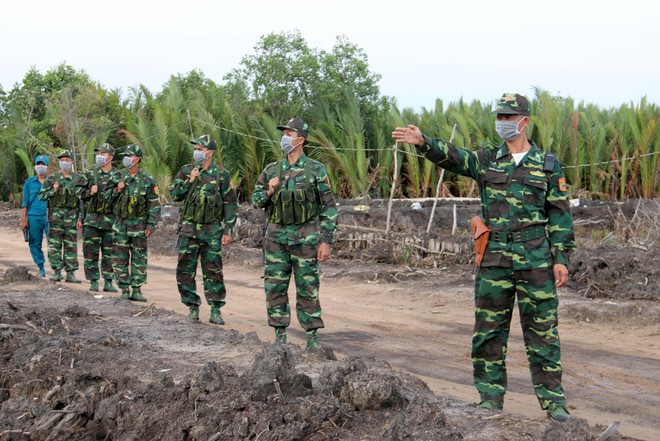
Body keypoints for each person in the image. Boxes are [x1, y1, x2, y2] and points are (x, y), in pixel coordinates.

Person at [392, 93, 576, 422]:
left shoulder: (548, 165)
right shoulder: (488, 159)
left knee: (543, 332)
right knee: (489, 331)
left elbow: (560, 214)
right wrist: (424, 143)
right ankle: (490, 399)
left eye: (509, 117)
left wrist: (561, 257)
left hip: (536, 257)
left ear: (524, 120)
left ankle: (554, 403)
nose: (503, 122)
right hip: (495, 259)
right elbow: (455, 158)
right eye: (500, 117)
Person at [251, 118, 338, 348]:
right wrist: (269, 191)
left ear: (300, 139)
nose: (284, 138)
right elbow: (255, 201)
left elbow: (328, 207)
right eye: (284, 133)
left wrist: (326, 241)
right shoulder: (272, 170)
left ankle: (311, 336)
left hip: (306, 237)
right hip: (276, 239)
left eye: (289, 134)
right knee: (275, 286)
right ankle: (280, 335)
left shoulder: (316, 170)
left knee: (308, 286)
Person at [171, 135, 237, 325]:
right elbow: (175, 195)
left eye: (200, 149)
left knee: (213, 270)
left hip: (212, 231)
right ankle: (192, 306)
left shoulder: (221, 174)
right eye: (196, 148)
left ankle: (216, 309)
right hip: (188, 229)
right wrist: (190, 181)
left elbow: (230, 203)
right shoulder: (186, 171)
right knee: (185, 269)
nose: (197, 152)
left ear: (210, 153)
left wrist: (228, 230)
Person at [112, 144, 161, 301]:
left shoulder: (147, 180)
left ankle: (137, 289)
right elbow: (106, 199)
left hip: (139, 225)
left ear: (137, 159)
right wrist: (117, 190)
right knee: (120, 258)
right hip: (121, 225)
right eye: (125, 155)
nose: (126, 159)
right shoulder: (117, 177)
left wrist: (151, 224)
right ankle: (124, 289)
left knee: (139, 258)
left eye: (130, 156)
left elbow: (153, 204)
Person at [75, 143, 121, 293]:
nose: (99, 156)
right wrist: (89, 192)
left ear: (110, 157)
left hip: (111, 220)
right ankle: (93, 280)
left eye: (103, 153)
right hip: (92, 220)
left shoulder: (118, 175)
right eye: (98, 153)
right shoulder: (90, 173)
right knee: (90, 252)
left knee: (110, 253)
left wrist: (119, 189)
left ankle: (108, 281)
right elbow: (77, 192)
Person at [38, 150, 83, 283]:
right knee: (54, 246)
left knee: (71, 246)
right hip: (56, 217)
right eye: (62, 160)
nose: (64, 162)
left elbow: (82, 200)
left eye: (66, 160)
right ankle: (57, 272)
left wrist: (80, 218)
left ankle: (70, 274)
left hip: (72, 217)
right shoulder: (52, 178)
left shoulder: (77, 178)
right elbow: (41, 196)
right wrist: (53, 191)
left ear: (71, 162)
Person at [21, 154, 50, 277]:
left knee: (53, 243)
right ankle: (41, 268)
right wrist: (23, 220)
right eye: (38, 164)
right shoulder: (29, 183)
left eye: (42, 164)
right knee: (34, 243)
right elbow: (25, 202)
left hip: (49, 217)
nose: (40, 166)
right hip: (33, 217)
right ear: (35, 166)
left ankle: (57, 269)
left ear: (47, 166)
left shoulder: (52, 182)